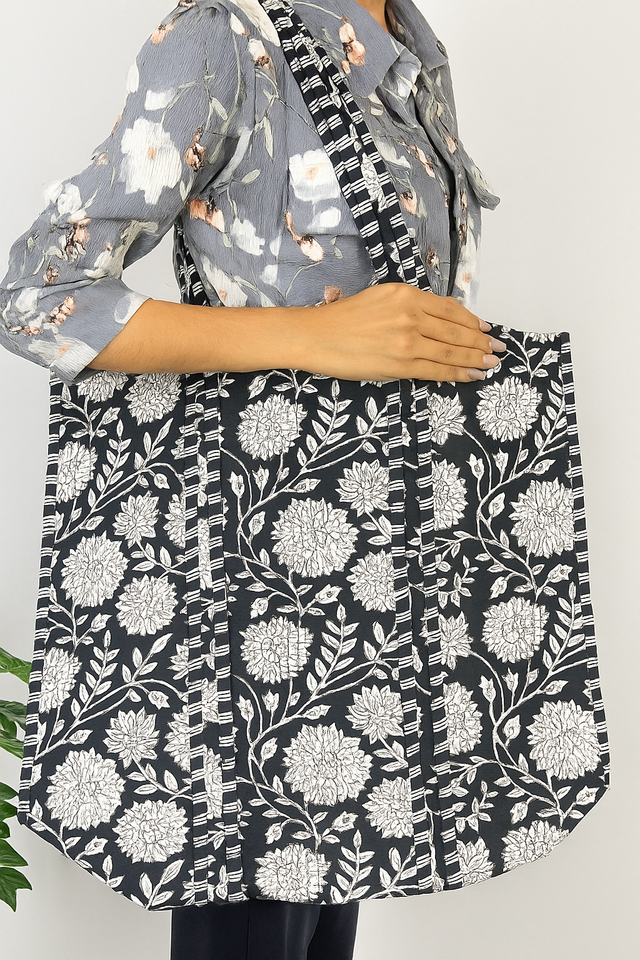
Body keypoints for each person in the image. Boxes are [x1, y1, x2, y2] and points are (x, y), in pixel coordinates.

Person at [0, 1, 511, 958]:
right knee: (254, 905)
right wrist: (312, 338)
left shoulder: (415, 52)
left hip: (376, 600)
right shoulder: (224, 40)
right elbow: (37, 297)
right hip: (256, 599)